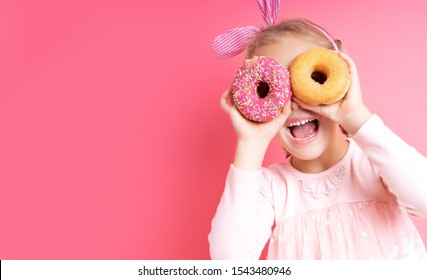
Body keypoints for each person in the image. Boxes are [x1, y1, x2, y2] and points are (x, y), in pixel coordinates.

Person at [208, 17, 427, 259]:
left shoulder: (376, 163)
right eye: (271, 89)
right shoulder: (271, 188)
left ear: (338, 80)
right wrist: (250, 144)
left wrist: (355, 116)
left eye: (311, 80)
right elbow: (228, 262)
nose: (293, 105)